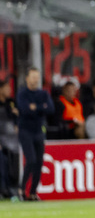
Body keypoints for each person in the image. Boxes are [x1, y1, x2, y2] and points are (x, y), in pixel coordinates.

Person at [17, 67, 55, 201]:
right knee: (31, 160)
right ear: (27, 78)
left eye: (37, 77)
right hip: (25, 131)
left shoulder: (43, 94)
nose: (35, 80)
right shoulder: (22, 94)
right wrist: (41, 108)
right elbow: (24, 110)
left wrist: (35, 107)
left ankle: (33, 192)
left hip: (38, 131)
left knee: (39, 162)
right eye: (33, 77)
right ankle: (21, 189)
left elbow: (50, 109)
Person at [0, 80, 18, 197]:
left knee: (14, 161)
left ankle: (13, 187)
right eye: (6, 88)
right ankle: (3, 189)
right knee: (3, 161)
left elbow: (15, 121)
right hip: (2, 141)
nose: (9, 90)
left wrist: (17, 118)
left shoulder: (10, 103)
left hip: (12, 141)